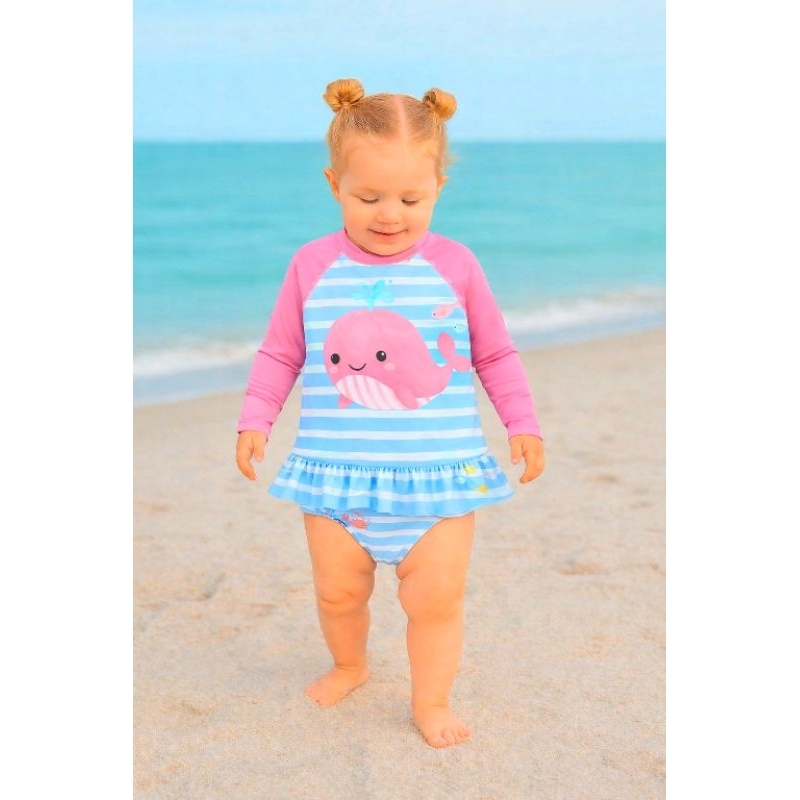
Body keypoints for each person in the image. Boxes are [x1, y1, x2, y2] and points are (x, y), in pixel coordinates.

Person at [235, 78, 545, 748]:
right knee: (337, 594)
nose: (390, 214)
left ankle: (431, 700)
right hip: (333, 477)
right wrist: (255, 418)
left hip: (438, 479)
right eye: (368, 196)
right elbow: (281, 352)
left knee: (435, 601)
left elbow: (494, 353)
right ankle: (350, 664)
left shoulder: (456, 265)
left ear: (438, 186)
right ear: (334, 184)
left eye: (411, 198)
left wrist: (522, 423)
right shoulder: (311, 265)